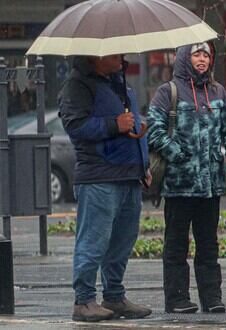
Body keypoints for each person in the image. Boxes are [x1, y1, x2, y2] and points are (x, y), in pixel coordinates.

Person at [146, 42, 226, 314]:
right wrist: (176, 152)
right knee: (176, 245)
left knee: (208, 245)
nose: (202, 59)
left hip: (210, 187)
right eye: (196, 54)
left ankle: (212, 297)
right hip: (179, 187)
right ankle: (177, 299)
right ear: (184, 58)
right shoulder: (169, 92)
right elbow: (153, 129)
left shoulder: (218, 92)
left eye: (206, 54)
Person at [60, 55, 152, 322]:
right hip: (99, 176)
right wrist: (115, 124)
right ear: (97, 56)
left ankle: (114, 295)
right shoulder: (77, 85)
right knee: (94, 240)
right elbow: (75, 127)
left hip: (128, 175)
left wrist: (143, 164)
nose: (122, 58)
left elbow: (130, 124)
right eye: (116, 53)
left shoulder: (118, 82)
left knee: (123, 240)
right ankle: (84, 300)